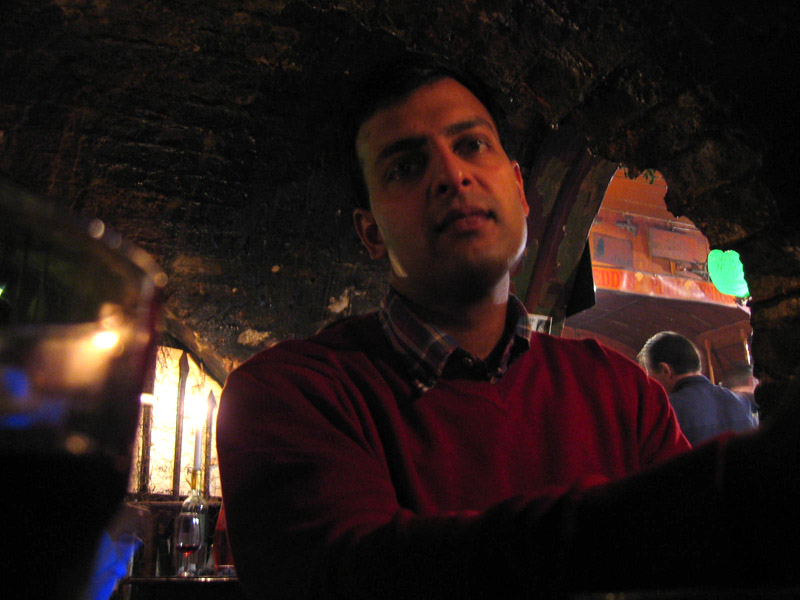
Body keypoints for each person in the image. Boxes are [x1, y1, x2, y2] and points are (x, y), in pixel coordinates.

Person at [217, 54, 800, 600]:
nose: (452, 175)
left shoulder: (620, 391)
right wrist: (732, 489)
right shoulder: (290, 393)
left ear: (520, 191)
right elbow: (357, 571)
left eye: (472, 144)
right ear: (371, 232)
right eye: (406, 166)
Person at [638, 332, 758, 445]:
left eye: (650, 376)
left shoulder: (666, 411)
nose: (650, 384)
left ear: (665, 370)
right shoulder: (741, 403)